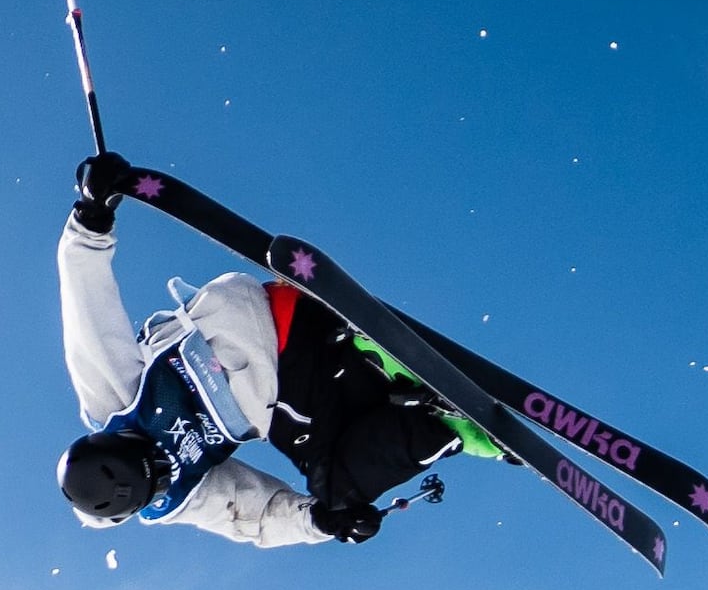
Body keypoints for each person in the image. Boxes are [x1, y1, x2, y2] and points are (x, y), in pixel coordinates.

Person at [56, 151, 457, 548]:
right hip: (293, 401)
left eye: (151, 458)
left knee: (327, 418)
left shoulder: (113, 400)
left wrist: (90, 220)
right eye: (159, 477)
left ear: (119, 439)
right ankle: (442, 423)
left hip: (265, 327)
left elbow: (86, 309)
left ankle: (363, 355)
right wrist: (320, 522)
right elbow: (249, 515)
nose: (166, 463)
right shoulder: (175, 496)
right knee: (338, 488)